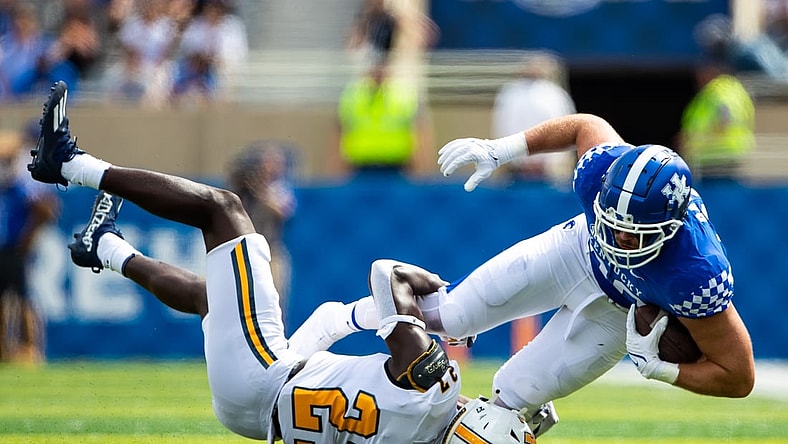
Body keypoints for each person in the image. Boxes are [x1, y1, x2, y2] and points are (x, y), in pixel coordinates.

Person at [27, 80, 535, 444]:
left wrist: (439, 306)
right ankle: (108, 249)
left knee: (222, 209)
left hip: (266, 375)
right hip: (258, 412)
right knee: (218, 299)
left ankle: (70, 164)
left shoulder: (435, 387)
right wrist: (367, 317)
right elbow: (333, 321)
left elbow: (387, 272)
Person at [318, 112, 756, 438]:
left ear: (670, 229)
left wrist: (661, 370)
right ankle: (342, 319)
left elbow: (739, 376)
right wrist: (501, 149)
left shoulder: (696, 273)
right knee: (450, 317)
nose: (619, 239)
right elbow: (586, 125)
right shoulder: (601, 173)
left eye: (632, 233)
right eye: (614, 222)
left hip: (620, 310)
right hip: (576, 249)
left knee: (508, 405)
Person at [0, 127, 58, 363]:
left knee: (22, 298)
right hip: (7, 247)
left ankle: (31, 349)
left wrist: (27, 238)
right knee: (6, 301)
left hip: (13, 248)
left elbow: (45, 208)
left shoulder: (22, 176)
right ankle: (6, 352)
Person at [227, 141, 296, 328]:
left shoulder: (279, 188)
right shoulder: (244, 190)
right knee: (243, 301)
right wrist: (245, 183)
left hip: (272, 252)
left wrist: (260, 190)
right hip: (246, 251)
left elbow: (283, 210)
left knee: (275, 300)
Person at [332, 60, 434, 178]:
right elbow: (340, 131)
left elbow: (420, 132)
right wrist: (337, 168)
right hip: (360, 168)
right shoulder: (352, 95)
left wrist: (423, 168)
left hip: (397, 167)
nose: (378, 72)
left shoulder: (404, 95)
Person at [491, 52, 577, 187]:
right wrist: (519, 159)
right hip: (518, 167)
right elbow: (505, 126)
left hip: (548, 170)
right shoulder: (511, 93)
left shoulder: (556, 95)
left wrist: (550, 160)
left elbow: (564, 128)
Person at [677, 56, 756, 181]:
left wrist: (693, 141)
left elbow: (724, 120)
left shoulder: (718, 89)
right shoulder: (734, 88)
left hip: (715, 158)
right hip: (728, 156)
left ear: (712, 70)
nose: (698, 76)